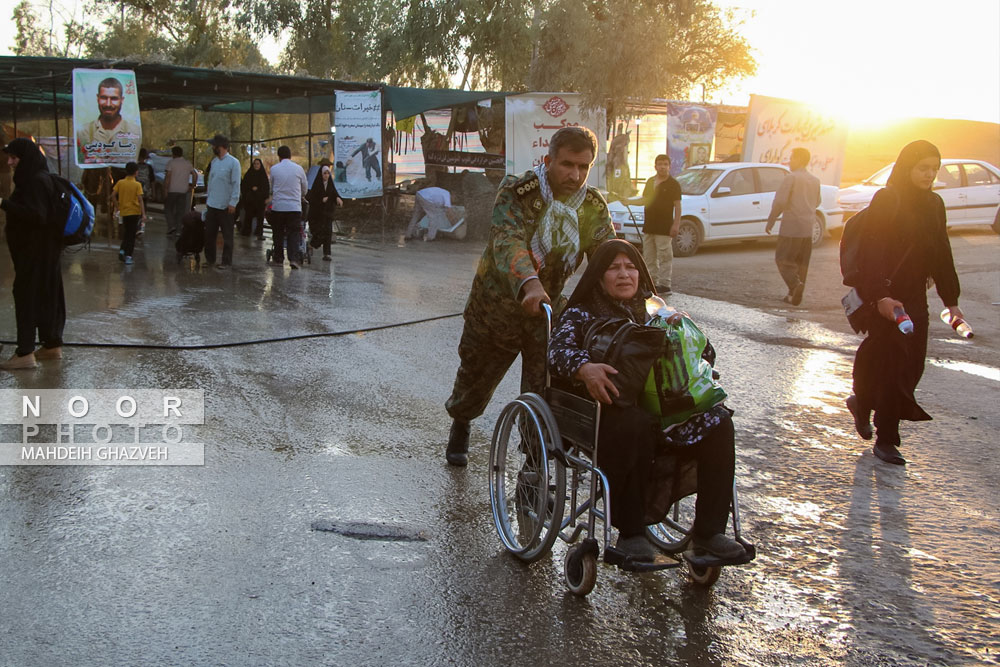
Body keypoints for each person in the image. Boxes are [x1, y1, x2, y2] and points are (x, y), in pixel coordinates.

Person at [548, 239, 744, 560]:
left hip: (666, 412)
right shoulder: (582, 313)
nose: (624, 274)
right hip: (606, 412)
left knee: (719, 423)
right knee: (634, 423)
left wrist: (684, 333)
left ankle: (709, 533)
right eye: (614, 268)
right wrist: (584, 368)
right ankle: (631, 535)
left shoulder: (657, 310)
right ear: (599, 277)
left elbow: (705, 354)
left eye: (631, 267)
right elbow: (557, 352)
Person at [443, 126, 615, 466]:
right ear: (548, 159)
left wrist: (638, 295)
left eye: (583, 167)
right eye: (567, 165)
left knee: (544, 393)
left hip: (546, 316)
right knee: (474, 382)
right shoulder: (517, 191)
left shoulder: (592, 206)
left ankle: (534, 465)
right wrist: (529, 282)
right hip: (496, 310)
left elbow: (609, 258)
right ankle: (461, 423)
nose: (575, 175)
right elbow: (507, 240)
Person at [845, 140, 963, 466]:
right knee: (891, 363)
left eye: (934, 169)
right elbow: (873, 251)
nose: (929, 175)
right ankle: (886, 438)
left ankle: (863, 401)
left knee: (912, 365)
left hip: (914, 297)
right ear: (907, 167)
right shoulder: (888, 198)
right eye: (923, 168)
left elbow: (941, 252)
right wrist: (880, 296)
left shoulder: (934, 204)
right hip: (883, 296)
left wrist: (951, 301)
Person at [0, 139, 66, 370]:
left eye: (14, 157)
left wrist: (4, 204)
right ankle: (51, 346)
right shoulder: (42, 178)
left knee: (26, 297)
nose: (10, 162)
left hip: (34, 253)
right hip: (46, 252)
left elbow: (36, 216)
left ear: (25, 157)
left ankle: (25, 352)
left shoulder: (34, 182)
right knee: (48, 296)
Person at [765, 147, 821, 305]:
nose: (790, 161)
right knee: (801, 264)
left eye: (792, 158)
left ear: (799, 159)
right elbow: (817, 202)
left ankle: (795, 286)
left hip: (791, 228)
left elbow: (781, 201)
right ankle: (794, 296)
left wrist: (771, 219)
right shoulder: (815, 180)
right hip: (807, 229)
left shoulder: (791, 178)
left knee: (783, 260)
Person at [627, 154, 682, 294]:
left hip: (664, 227)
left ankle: (665, 284)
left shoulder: (673, 184)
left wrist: (676, 225)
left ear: (669, 166)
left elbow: (678, 206)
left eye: (665, 164)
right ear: (655, 166)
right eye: (660, 164)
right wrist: (629, 202)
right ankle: (651, 282)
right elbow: (645, 200)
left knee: (664, 256)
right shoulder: (650, 181)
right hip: (649, 225)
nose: (662, 167)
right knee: (649, 256)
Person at [75, 77, 141, 165]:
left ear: (122, 100)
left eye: (114, 99)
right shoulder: (83, 131)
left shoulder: (135, 132)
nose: (108, 104)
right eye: (104, 98)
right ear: (97, 98)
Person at [203, 134, 241, 268]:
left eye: (215, 145)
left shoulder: (233, 163)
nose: (213, 147)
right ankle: (210, 259)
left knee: (227, 236)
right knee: (209, 234)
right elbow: (211, 182)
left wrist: (233, 202)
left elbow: (236, 184)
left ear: (222, 147)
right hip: (212, 204)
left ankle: (226, 261)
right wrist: (208, 201)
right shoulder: (214, 162)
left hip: (226, 206)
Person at [269, 145, 309, 269]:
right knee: (294, 233)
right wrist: (300, 196)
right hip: (294, 207)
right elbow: (304, 188)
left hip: (278, 207)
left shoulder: (274, 169)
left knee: (278, 233)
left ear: (279, 156)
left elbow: (271, 188)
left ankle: (278, 258)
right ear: (290, 156)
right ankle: (293, 259)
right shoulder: (299, 169)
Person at [111, 162, 147, 265]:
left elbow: (112, 196)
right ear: (136, 172)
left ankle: (122, 250)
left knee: (127, 232)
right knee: (132, 235)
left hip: (124, 212)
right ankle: (128, 256)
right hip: (135, 212)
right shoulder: (137, 185)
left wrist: (118, 208)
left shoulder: (120, 183)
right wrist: (143, 214)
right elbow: (140, 200)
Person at [306, 165, 343, 260]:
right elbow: (312, 199)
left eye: (328, 173)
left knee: (328, 232)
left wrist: (338, 198)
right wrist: (321, 200)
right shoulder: (317, 185)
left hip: (328, 213)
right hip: (318, 214)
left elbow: (334, 193)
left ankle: (327, 254)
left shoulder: (330, 184)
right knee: (320, 233)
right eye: (324, 173)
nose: (326, 176)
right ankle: (311, 245)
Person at [164, 146, 198, 236]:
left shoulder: (171, 163)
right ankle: (179, 230)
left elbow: (168, 177)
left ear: (173, 154)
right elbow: (195, 174)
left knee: (168, 208)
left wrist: (166, 189)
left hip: (172, 190)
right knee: (180, 211)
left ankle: (171, 226)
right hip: (183, 191)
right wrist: (193, 185)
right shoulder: (187, 163)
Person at [240, 158, 269, 238]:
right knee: (248, 216)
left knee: (260, 218)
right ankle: (246, 231)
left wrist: (259, 191)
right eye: (255, 164)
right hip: (250, 201)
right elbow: (244, 186)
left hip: (260, 201)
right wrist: (251, 189)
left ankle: (259, 232)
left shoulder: (263, 175)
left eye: (258, 164)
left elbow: (266, 188)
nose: (256, 165)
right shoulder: (249, 174)